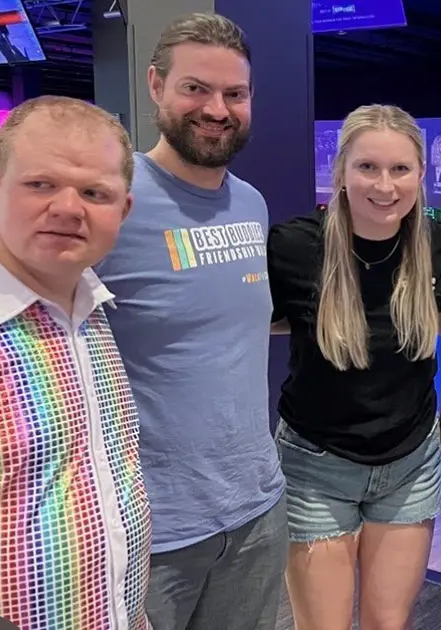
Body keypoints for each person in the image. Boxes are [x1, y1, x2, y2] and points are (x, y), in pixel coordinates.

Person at [0, 96, 148, 629]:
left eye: (95, 193)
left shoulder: (89, 310)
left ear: (123, 210)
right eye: (41, 184)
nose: (69, 208)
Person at [93, 12, 287, 630]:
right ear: (155, 85)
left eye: (235, 94)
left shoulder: (250, 203)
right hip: (151, 529)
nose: (217, 109)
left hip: (257, 510)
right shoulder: (112, 204)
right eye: (196, 88)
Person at [265, 104, 441, 630]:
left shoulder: (437, 248)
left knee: (387, 624)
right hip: (315, 464)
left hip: (409, 464)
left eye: (400, 169)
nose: (384, 185)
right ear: (342, 173)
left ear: (421, 174)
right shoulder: (294, 247)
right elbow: (258, 324)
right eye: (367, 168)